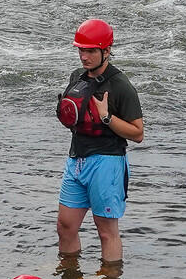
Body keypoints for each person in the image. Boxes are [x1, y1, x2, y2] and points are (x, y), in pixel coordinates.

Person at [55, 18, 145, 265]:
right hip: (76, 160)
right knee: (65, 226)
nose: (84, 56)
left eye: (91, 51)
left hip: (107, 163)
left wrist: (106, 117)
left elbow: (138, 133)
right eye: (81, 50)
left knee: (106, 231)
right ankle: (70, 275)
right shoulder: (77, 77)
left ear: (106, 51)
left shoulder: (121, 86)